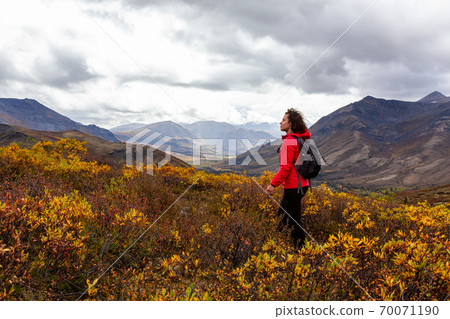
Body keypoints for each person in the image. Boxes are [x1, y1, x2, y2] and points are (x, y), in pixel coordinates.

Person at [266, 108, 311, 249]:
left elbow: (285, 168)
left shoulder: (289, 142)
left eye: (284, 120)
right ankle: (287, 246)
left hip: (293, 187)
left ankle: (302, 251)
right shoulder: (299, 139)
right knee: (283, 217)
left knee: (293, 220)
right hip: (301, 185)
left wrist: (272, 185)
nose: (280, 122)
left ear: (291, 123)